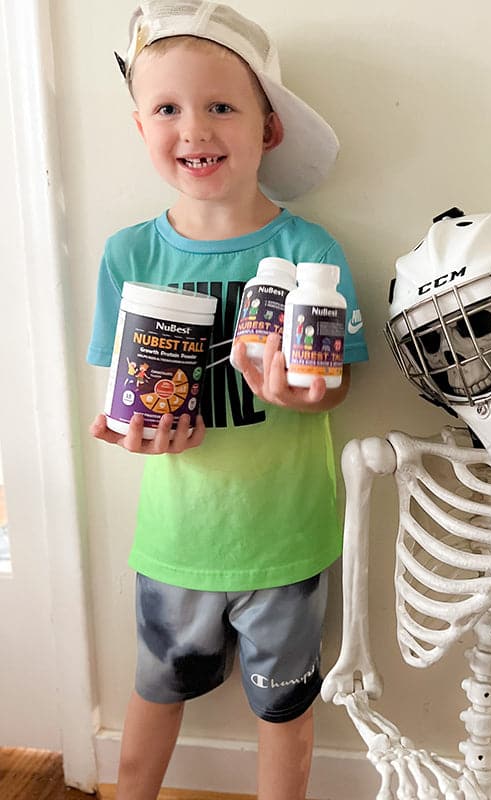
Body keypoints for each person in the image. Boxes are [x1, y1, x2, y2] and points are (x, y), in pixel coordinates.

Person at [85, 2, 368, 798]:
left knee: (285, 713)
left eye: (220, 106)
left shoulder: (309, 253)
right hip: (176, 540)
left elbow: (338, 383)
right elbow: (117, 401)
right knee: (154, 698)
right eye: (167, 109)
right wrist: (127, 432)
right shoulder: (128, 254)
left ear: (268, 128)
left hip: (288, 541)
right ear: (140, 127)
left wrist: (306, 396)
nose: (194, 130)